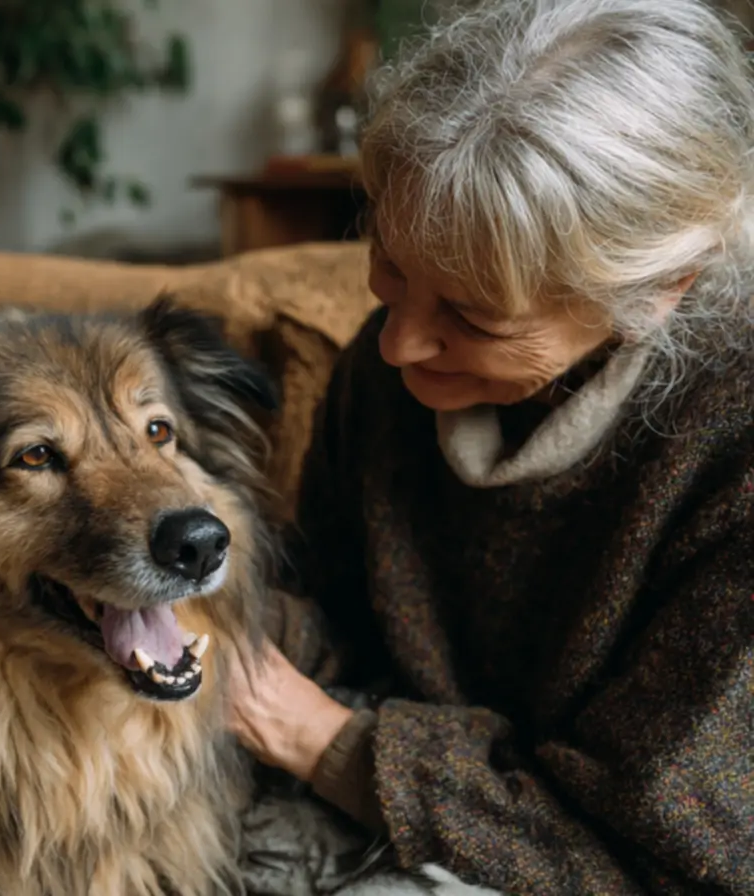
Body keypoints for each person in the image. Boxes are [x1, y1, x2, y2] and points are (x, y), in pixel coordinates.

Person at [226, 1, 754, 894]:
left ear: (664, 289)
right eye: (389, 265)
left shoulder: (730, 460)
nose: (397, 347)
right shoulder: (386, 371)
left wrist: (318, 736)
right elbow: (339, 612)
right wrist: (225, 618)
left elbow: (665, 861)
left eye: (472, 318)